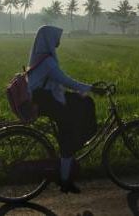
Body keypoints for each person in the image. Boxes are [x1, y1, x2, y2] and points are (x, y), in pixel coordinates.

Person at [27, 25, 96, 194]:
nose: (59, 42)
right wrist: (90, 88)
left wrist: (80, 92)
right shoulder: (48, 62)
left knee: (83, 102)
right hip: (48, 102)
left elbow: (57, 84)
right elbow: (65, 80)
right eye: (57, 38)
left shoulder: (40, 57)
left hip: (45, 99)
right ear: (49, 39)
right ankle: (65, 176)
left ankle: (69, 152)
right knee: (80, 114)